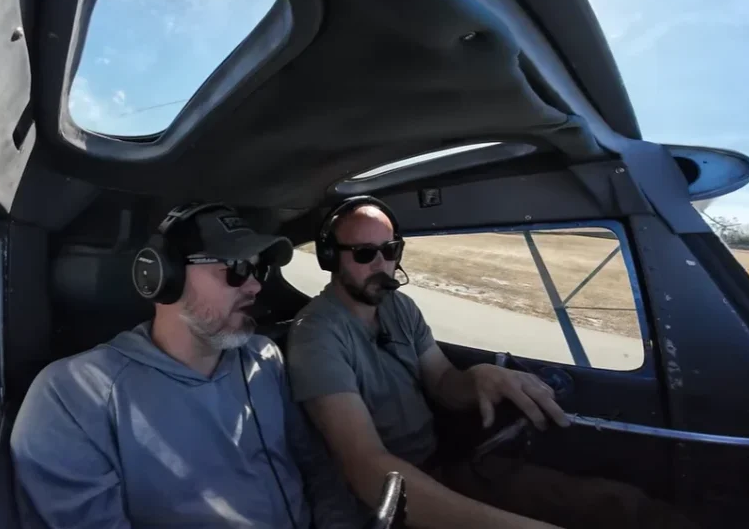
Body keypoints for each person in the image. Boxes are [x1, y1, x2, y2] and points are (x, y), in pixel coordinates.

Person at [286, 196, 696, 529]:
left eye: (391, 250)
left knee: (618, 506)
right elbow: (365, 467)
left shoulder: (399, 307)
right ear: (330, 257)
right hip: (387, 502)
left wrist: (479, 377)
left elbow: (442, 381)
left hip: (442, 469)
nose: (382, 264)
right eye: (364, 254)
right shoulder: (315, 334)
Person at [11, 202, 360, 529]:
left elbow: (316, 468)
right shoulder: (75, 394)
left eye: (258, 269)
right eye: (236, 269)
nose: (255, 285)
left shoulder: (264, 359)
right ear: (165, 276)